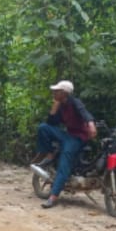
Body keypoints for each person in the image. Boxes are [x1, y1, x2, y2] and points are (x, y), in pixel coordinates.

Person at [32, 79, 97, 209]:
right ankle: (49, 154)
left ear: (64, 93)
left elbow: (85, 113)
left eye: (56, 91)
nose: (54, 93)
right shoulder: (61, 106)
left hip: (77, 138)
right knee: (43, 128)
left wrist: (91, 124)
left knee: (64, 163)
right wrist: (54, 108)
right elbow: (51, 123)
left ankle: (53, 196)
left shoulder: (75, 102)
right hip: (67, 135)